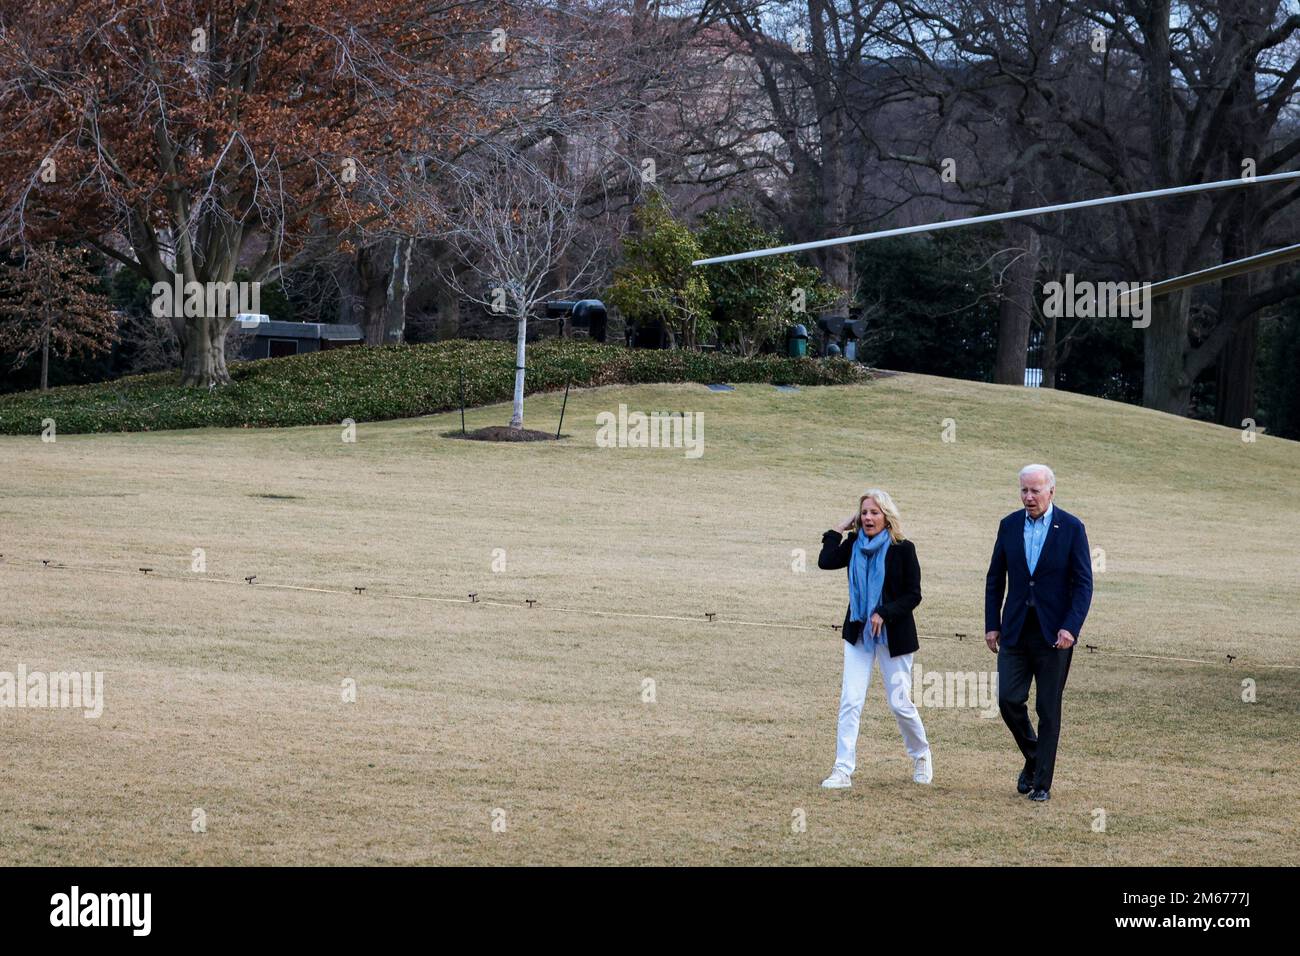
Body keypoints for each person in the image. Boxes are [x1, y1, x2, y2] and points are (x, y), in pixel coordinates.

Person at [984, 464, 1093, 802]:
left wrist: (1070, 627)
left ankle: (1042, 783)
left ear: (1051, 491)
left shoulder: (1072, 528)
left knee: (1048, 708)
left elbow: (1084, 584)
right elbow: (995, 579)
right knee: (1007, 700)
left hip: (1054, 636)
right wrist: (992, 623)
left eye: (1035, 491)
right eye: (1023, 491)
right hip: (1015, 631)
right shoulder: (1009, 525)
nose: (1028, 497)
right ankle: (1034, 758)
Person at [817, 489, 932, 789]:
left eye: (875, 512)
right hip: (858, 632)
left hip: (893, 635)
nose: (869, 518)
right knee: (850, 701)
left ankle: (921, 755)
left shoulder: (903, 548)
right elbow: (825, 561)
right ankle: (842, 770)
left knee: (899, 703)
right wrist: (840, 529)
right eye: (864, 512)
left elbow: (913, 594)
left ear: (887, 517)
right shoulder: (853, 543)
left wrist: (883, 612)